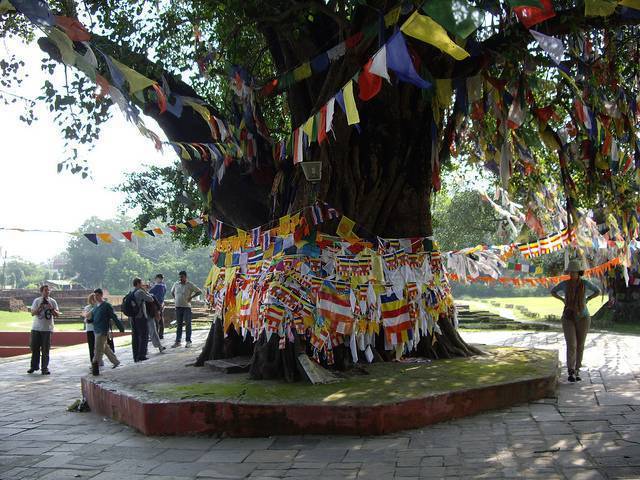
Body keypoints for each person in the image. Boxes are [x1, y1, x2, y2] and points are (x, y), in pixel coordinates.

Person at [551, 259, 601, 383]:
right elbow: (553, 291)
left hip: (583, 317)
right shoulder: (565, 284)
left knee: (580, 345)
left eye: (574, 272)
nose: (572, 274)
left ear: (579, 272)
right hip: (568, 317)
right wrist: (562, 300)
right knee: (572, 344)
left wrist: (588, 298)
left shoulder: (585, 283)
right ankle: (571, 370)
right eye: (570, 272)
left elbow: (597, 291)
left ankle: (577, 369)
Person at [91, 288, 125, 375]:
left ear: (101, 295)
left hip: (102, 330)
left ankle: (95, 365)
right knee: (105, 348)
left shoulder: (106, 305)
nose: (96, 297)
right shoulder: (95, 306)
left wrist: (120, 327)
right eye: (95, 295)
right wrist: (88, 320)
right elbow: (93, 317)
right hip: (96, 329)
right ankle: (116, 362)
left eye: (97, 295)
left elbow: (114, 316)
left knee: (98, 349)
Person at [28, 285, 60, 375]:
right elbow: (32, 313)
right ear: (41, 291)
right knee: (34, 348)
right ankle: (34, 366)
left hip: (47, 329)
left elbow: (57, 314)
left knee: (45, 350)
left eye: (48, 290)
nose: (47, 292)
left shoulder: (53, 301)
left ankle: (44, 368)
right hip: (36, 328)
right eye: (45, 290)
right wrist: (40, 307)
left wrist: (51, 307)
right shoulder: (37, 301)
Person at [171, 270, 202, 348]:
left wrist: (191, 297)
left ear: (185, 277)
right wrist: (176, 299)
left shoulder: (190, 285)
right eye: (180, 277)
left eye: (182, 277)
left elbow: (199, 292)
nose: (180, 278)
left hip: (186, 307)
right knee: (179, 324)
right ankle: (178, 341)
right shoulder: (176, 284)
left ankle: (188, 341)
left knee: (188, 324)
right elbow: (172, 292)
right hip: (178, 307)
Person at [129, 278, 155, 361]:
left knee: (135, 337)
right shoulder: (140, 292)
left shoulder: (131, 292)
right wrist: (145, 290)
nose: (143, 284)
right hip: (141, 316)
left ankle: (135, 355)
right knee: (144, 335)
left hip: (133, 317)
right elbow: (151, 299)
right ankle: (142, 355)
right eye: (141, 283)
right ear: (138, 284)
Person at [149, 274, 166, 339]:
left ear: (158, 278)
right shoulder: (163, 286)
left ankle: (156, 335)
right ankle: (160, 334)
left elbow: (150, 293)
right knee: (161, 319)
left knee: (156, 320)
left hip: (157, 304)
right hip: (161, 304)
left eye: (156, 279)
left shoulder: (158, 286)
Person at [82, 293, 98, 364]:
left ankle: (98, 360)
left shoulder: (98, 307)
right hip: (90, 329)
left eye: (95, 298)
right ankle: (93, 361)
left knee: (98, 346)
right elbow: (86, 317)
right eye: (92, 299)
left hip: (98, 329)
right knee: (91, 346)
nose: (94, 300)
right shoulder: (87, 307)